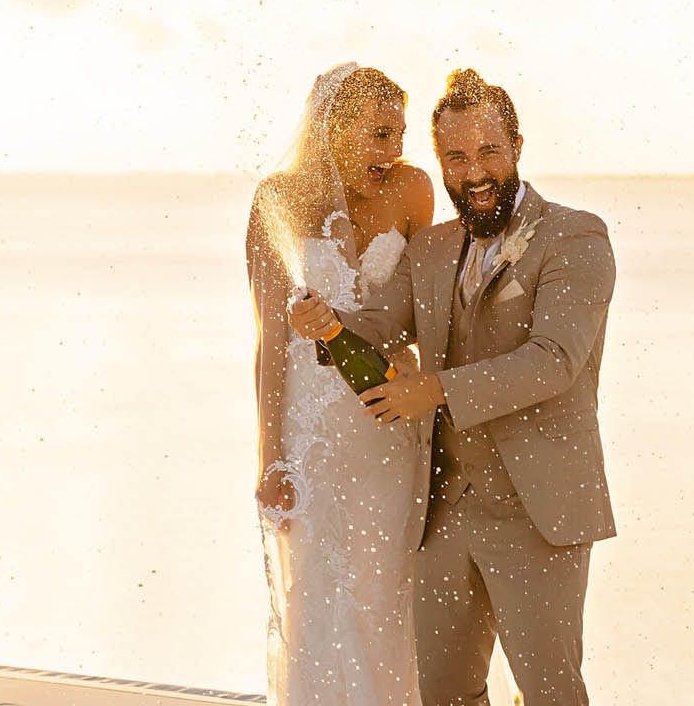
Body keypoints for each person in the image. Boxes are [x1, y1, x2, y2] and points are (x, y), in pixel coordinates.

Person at [289, 69, 618, 706]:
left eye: (489, 151)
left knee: (551, 693)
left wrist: (433, 390)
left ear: (517, 146)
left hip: (537, 509)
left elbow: (554, 361)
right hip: (442, 510)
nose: (474, 172)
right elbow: (379, 324)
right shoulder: (432, 247)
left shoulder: (576, 235)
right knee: (444, 695)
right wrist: (328, 324)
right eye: (456, 157)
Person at [244, 62, 435, 705]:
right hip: (312, 435)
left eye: (400, 133)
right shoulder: (278, 200)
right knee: (316, 600)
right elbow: (272, 341)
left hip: (387, 426)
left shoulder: (412, 190)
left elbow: (425, 312)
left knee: (385, 595)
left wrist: (421, 374)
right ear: (334, 128)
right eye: (379, 133)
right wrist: (272, 458)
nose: (394, 148)